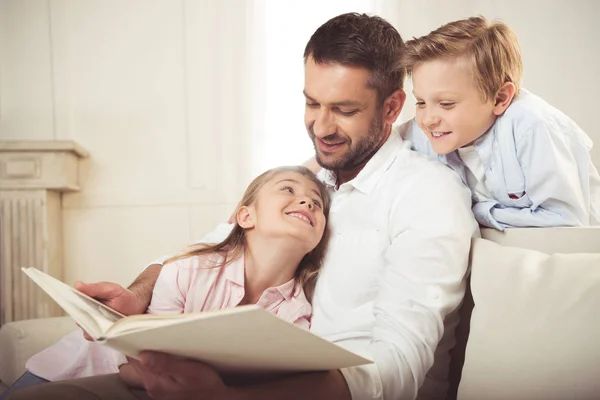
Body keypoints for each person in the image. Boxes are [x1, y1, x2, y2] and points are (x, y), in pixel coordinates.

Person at [7, 13, 478, 400]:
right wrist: (137, 294)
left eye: (345, 110)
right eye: (312, 103)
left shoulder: (427, 196)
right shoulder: (306, 178)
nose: (321, 126)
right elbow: (217, 243)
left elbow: (398, 367)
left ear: (393, 107)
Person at [3, 166, 329, 397]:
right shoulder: (189, 270)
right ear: (245, 217)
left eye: (317, 201)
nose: (308, 202)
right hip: (71, 371)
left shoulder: (297, 316)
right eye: (288, 189)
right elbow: (136, 366)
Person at [398, 16, 600, 230]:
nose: (428, 119)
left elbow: (566, 222)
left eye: (447, 104)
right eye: (420, 102)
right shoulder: (425, 131)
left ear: (500, 98)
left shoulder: (533, 127)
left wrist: (475, 212)